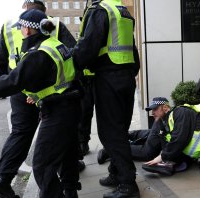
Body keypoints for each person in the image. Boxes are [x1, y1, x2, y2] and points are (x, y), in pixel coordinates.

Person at [0, 1, 82, 197]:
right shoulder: (55, 44)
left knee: (41, 162)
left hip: (54, 106)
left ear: (28, 30)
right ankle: (70, 188)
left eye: (22, 26)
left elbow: (10, 79)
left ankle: (5, 179)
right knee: (67, 146)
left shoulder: (37, 54)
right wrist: (37, 93)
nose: (19, 29)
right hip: (63, 100)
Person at [72, 0, 140, 197]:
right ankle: (116, 173)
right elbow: (132, 48)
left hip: (108, 77)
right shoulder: (122, 11)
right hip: (125, 77)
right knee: (119, 129)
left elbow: (87, 47)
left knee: (111, 133)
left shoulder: (99, 10)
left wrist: (72, 64)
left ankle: (128, 185)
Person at [99, 97, 169, 187]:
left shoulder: (167, 119)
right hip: (155, 135)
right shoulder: (161, 119)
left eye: (155, 109)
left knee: (146, 147)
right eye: (152, 110)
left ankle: (113, 149)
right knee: (146, 135)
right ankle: (116, 145)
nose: (152, 113)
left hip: (152, 144)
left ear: (165, 107)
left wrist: (162, 156)